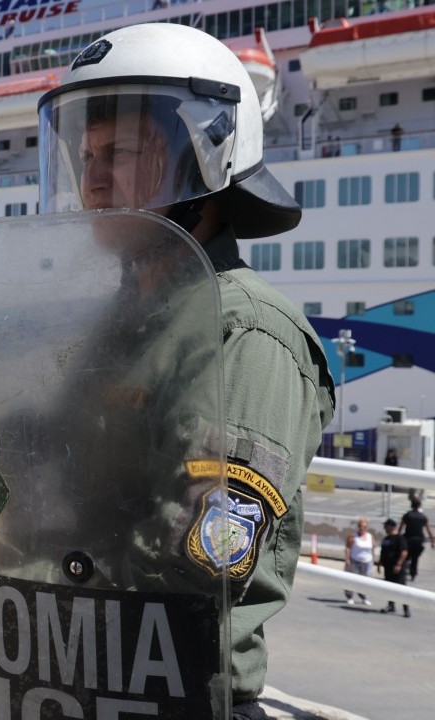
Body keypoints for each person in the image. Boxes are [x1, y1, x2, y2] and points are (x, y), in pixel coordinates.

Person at [38, 23, 335, 719]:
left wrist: (23, 573)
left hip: (170, 693)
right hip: (68, 670)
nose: (93, 180)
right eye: (84, 157)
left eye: (121, 153)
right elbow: (35, 451)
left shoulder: (247, 330)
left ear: (205, 159)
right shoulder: (119, 325)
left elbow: (205, 554)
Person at [379, 518, 411, 617]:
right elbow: (383, 552)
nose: (384, 528)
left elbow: (404, 552)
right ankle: (391, 605)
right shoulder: (386, 539)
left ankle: (406, 609)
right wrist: (379, 564)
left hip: (398, 569)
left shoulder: (400, 539)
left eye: (386, 526)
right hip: (388, 568)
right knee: (389, 587)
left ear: (390, 526)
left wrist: (398, 564)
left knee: (401, 588)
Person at [399, 496, 435, 580]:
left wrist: (397, 538)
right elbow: (429, 530)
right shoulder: (423, 517)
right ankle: (413, 574)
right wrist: (433, 541)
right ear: (419, 505)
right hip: (418, 541)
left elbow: (401, 528)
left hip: (408, 539)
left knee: (406, 556)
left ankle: (403, 570)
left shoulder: (407, 515)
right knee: (415, 558)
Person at [343, 517, 374, 606]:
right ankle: (349, 596)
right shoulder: (353, 536)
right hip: (355, 561)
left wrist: (373, 560)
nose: (362, 528)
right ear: (358, 526)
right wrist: (347, 559)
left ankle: (364, 597)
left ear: (367, 527)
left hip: (367, 562)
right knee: (352, 579)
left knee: (366, 581)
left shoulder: (370, 537)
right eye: (360, 526)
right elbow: (348, 548)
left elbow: (373, 548)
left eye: (364, 526)